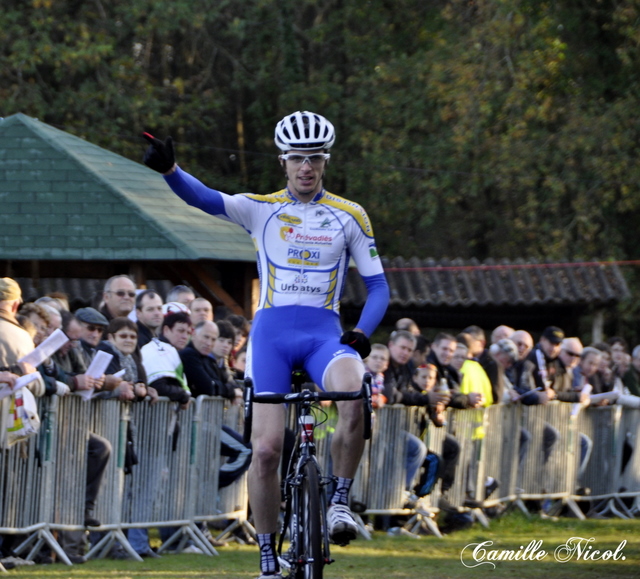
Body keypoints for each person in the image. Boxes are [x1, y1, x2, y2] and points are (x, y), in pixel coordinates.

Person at [143, 110, 389, 579]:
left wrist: (359, 336)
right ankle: (267, 559)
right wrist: (171, 171)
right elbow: (205, 199)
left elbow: (378, 288)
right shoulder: (262, 208)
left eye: (315, 159)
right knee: (269, 450)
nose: (306, 168)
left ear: (325, 161)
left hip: (323, 336)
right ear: (283, 161)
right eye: (298, 158)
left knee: (355, 391)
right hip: (272, 338)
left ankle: (338, 502)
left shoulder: (349, 214)